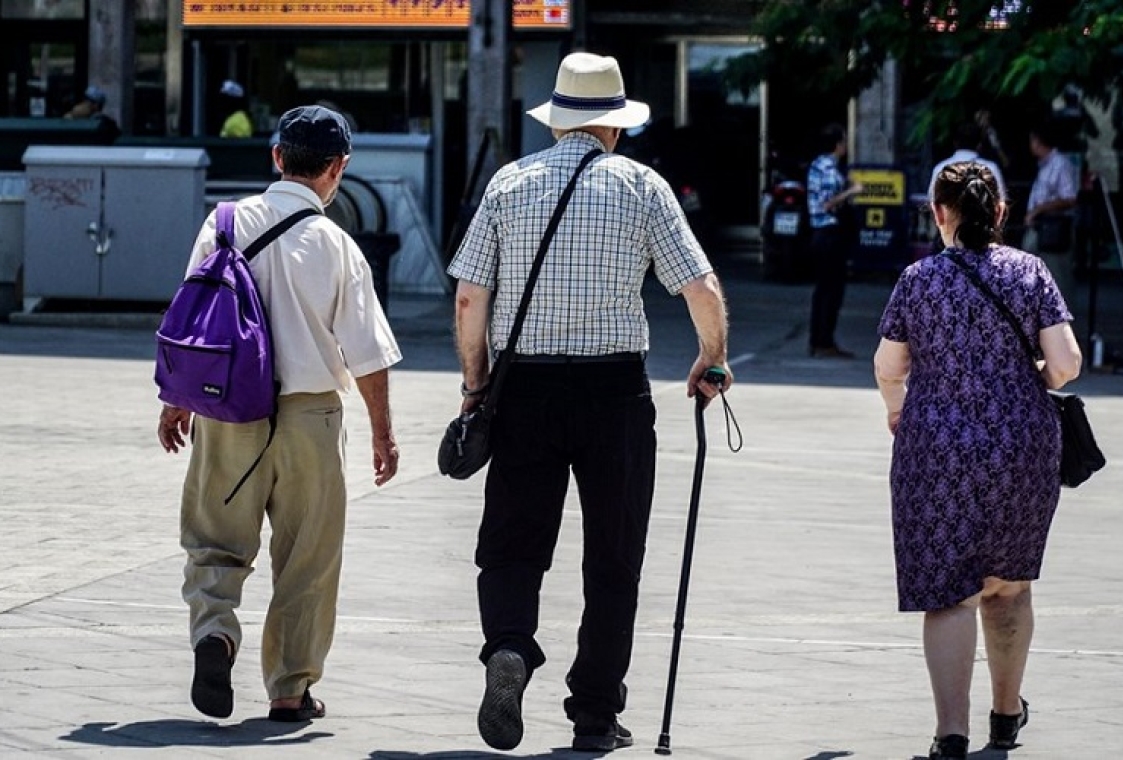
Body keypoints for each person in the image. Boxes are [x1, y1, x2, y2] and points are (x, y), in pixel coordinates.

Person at [447, 51, 732, 753]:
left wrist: (476, 382)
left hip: (525, 391)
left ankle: (509, 647)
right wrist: (711, 359)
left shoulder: (509, 185)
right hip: (614, 394)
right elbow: (700, 288)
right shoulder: (643, 187)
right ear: (614, 126)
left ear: (558, 121)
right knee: (613, 557)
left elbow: (468, 298)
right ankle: (596, 714)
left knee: (513, 545)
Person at [157, 104, 402, 722]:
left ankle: (214, 634)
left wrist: (174, 401)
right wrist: (383, 433)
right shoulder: (338, 245)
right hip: (311, 417)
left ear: (276, 157)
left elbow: (192, 320)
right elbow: (368, 354)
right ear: (338, 169)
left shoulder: (223, 222)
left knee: (214, 538)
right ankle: (290, 689)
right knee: (308, 556)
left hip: (227, 409)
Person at [874, 161, 1082, 760]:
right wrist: (1024, 381)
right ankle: (1005, 717)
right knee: (1009, 588)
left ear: (940, 213)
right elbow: (1065, 364)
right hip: (1022, 447)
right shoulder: (1030, 272)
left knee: (949, 594)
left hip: (935, 449)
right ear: (998, 213)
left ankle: (951, 733)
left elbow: (890, 368)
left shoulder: (917, 280)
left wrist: (897, 410)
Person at [806, 122, 862, 358]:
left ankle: (818, 339)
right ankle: (824, 340)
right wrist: (852, 191)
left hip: (820, 234)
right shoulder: (829, 170)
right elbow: (827, 203)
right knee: (832, 290)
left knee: (823, 290)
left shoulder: (817, 165)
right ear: (838, 144)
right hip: (830, 233)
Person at [1024, 121, 1079, 301]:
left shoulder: (1060, 164)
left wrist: (1039, 209)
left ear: (1039, 142)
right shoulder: (1044, 166)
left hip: (1053, 228)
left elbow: (1069, 198)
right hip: (1038, 226)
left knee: (1058, 280)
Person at [928, 121, 1007, 203]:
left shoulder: (940, 168)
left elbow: (932, 201)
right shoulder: (990, 168)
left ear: (955, 143)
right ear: (979, 145)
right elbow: (1001, 201)